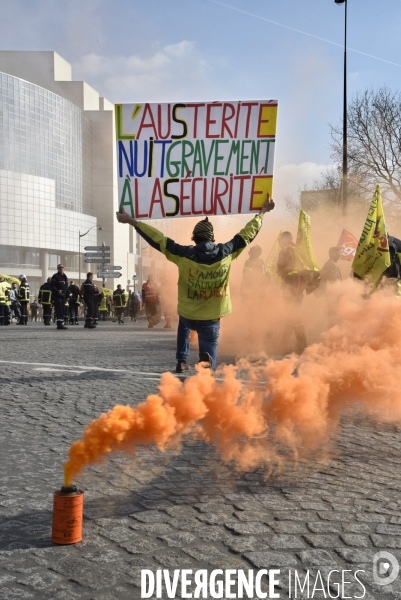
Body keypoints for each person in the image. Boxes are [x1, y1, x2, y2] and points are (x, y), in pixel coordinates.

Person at [116, 195, 275, 371]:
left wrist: (132, 221)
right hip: (212, 316)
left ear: (194, 237)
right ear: (212, 237)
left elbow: (159, 240)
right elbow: (247, 234)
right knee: (209, 345)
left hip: (189, 314)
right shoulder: (226, 253)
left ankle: (182, 359)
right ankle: (207, 363)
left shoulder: (183, 254)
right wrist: (261, 213)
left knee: (183, 325)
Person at [276, 231, 320, 354]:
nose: (279, 243)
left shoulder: (285, 251)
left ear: (285, 239)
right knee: (291, 314)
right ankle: (284, 343)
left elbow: (280, 269)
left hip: (291, 286)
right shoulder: (298, 249)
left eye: (280, 240)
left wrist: (279, 271)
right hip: (299, 286)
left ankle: (302, 344)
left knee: (293, 314)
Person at [50, 264, 69, 330]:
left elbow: (67, 287)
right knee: (59, 309)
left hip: (63, 296)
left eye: (62, 267)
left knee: (63, 309)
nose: (61, 269)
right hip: (57, 296)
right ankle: (59, 324)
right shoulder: (55, 276)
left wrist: (67, 296)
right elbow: (52, 286)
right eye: (60, 267)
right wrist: (58, 291)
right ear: (57, 268)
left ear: (64, 268)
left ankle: (61, 323)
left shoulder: (65, 276)